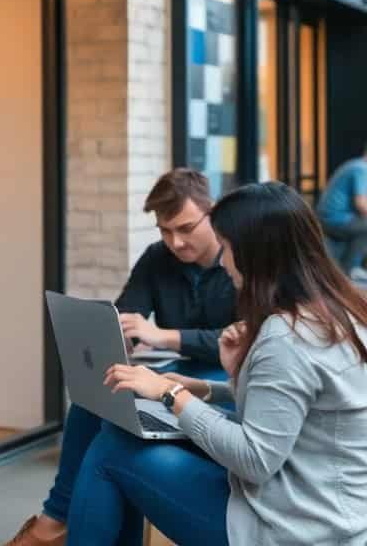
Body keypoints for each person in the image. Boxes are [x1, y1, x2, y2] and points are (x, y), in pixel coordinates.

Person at [66, 181, 367, 545]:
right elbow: (289, 413)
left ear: (254, 254)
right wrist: (215, 385)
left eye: (226, 248)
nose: (223, 261)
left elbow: (254, 459)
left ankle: (56, 524)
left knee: (111, 451)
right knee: (119, 434)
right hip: (324, 510)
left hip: (291, 528)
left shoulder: (286, 338)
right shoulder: (338, 314)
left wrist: (171, 392)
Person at [5, 168, 237, 546]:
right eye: (164, 231)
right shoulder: (158, 257)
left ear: (211, 213)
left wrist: (164, 336)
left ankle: (54, 525)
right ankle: (58, 516)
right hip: (174, 370)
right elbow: (127, 309)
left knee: (116, 437)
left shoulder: (237, 263)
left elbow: (244, 339)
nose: (175, 241)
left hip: (220, 379)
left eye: (185, 227)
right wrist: (119, 337)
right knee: (102, 392)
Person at [316, 143, 367, 277]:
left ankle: (348, 268)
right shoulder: (361, 169)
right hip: (334, 219)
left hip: (331, 217)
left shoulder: (354, 165)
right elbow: (361, 204)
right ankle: (350, 269)